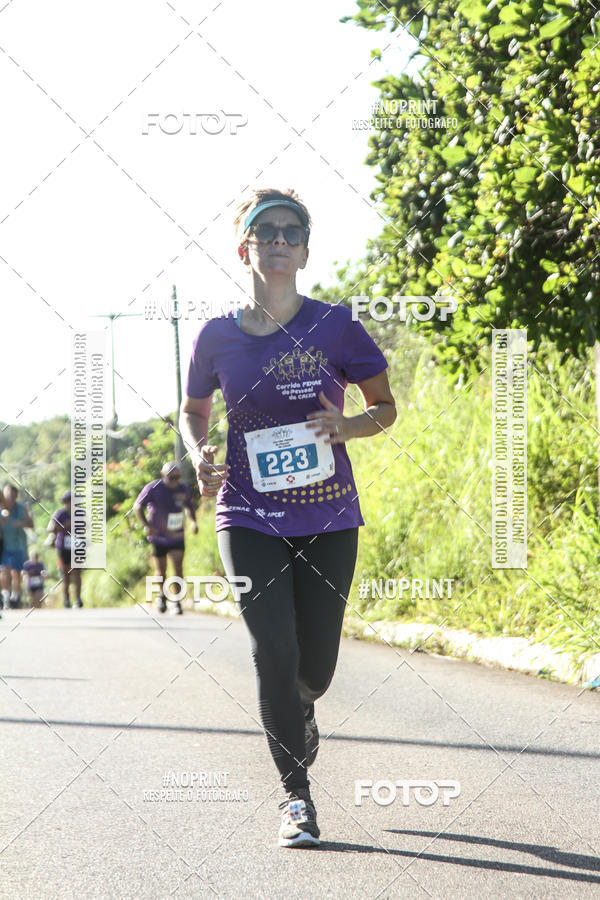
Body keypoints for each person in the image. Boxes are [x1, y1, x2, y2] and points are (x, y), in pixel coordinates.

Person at [179, 188, 396, 848]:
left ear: (304, 249)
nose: (277, 239)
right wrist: (200, 452)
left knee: (315, 670)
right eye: (263, 230)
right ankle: (295, 798)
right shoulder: (216, 335)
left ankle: (302, 706)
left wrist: (346, 424)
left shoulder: (337, 326)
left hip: (328, 516)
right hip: (245, 514)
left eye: (290, 230)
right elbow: (191, 411)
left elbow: (384, 407)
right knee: (272, 651)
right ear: (243, 246)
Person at [134, 462, 198, 615]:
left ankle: (177, 601)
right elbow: (138, 507)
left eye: (177, 477)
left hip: (177, 535)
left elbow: (189, 507)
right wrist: (147, 524)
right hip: (158, 537)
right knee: (161, 570)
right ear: (163, 475)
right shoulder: (153, 488)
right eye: (171, 477)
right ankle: (161, 597)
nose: (175, 480)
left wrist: (194, 522)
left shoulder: (183, 489)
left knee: (178, 567)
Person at [0, 483, 34, 609]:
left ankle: (15, 596)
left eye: (14, 497)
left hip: (18, 545)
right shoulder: (1, 508)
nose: (11, 500)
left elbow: (31, 524)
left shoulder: (21, 507)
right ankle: (5, 596)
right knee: (4, 570)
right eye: (9, 496)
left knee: (16, 572)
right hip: (4, 545)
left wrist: (21, 523)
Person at [47, 491, 83, 608]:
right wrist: (65, 525)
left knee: (77, 573)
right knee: (65, 574)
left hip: (76, 546)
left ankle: (78, 599)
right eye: (69, 502)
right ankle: (67, 600)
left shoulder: (80, 513)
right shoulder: (59, 514)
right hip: (63, 547)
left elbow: (87, 526)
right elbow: (51, 528)